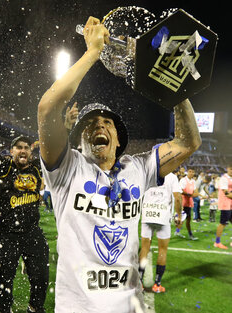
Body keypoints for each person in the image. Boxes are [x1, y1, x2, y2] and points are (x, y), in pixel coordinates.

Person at [37, 17, 201, 313]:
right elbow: (48, 108)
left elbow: (188, 142)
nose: (100, 124)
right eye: (90, 123)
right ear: (79, 138)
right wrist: (92, 53)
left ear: (117, 136)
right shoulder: (65, 168)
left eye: (107, 122)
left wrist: (175, 89)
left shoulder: (137, 167)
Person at [0, 91, 49, 313]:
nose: (23, 150)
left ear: (31, 151)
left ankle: (35, 309)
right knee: (4, 284)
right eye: (18, 147)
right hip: (6, 234)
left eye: (26, 147)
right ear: (11, 151)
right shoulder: (4, 166)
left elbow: (56, 149)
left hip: (31, 233)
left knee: (41, 279)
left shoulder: (37, 167)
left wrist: (63, 126)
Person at [139, 172, 182, 293]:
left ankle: (139, 282)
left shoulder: (148, 173)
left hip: (147, 214)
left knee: (144, 249)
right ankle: (157, 284)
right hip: (163, 216)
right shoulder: (172, 177)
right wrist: (178, 215)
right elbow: (177, 197)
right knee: (162, 250)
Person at [175, 168, 199, 240]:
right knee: (186, 219)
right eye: (190, 171)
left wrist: (194, 194)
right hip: (183, 202)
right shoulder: (183, 180)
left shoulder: (193, 181)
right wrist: (189, 194)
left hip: (189, 203)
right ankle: (190, 235)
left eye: (193, 172)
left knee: (185, 219)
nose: (191, 173)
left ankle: (177, 232)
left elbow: (195, 191)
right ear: (187, 172)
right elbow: (180, 190)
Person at [214, 165, 232, 249]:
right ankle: (217, 242)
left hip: (230, 204)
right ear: (228, 169)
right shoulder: (224, 178)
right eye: (231, 169)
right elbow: (227, 194)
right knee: (223, 223)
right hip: (225, 204)